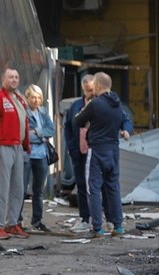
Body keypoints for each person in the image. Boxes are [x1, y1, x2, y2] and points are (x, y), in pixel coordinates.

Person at [73, 72, 130, 238]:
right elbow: (125, 120)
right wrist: (126, 130)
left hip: (97, 150)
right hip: (113, 149)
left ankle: (97, 227)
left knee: (94, 188)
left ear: (97, 86)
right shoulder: (118, 104)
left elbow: (78, 121)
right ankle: (118, 226)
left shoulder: (95, 104)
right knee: (113, 187)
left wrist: (84, 113)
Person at [0, 67, 31, 240]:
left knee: (18, 188)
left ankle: (12, 224)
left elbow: (23, 123)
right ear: (3, 79)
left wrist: (26, 145)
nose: (14, 80)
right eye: (10, 77)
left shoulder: (19, 99)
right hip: (3, 147)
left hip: (17, 147)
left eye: (16, 77)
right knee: (1, 188)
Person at [18, 84, 55, 232]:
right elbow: (24, 134)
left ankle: (37, 221)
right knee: (21, 189)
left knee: (38, 191)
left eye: (39, 97)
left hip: (41, 156)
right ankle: (17, 221)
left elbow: (51, 130)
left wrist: (37, 133)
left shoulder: (43, 112)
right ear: (27, 98)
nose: (36, 100)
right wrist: (41, 136)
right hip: (27, 155)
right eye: (33, 97)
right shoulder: (23, 113)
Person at [64, 74, 95, 233]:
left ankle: (101, 218)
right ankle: (84, 218)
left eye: (93, 89)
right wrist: (71, 147)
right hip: (79, 152)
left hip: (96, 153)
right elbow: (68, 128)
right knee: (81, 186)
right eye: (88, 90)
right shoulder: (76, 106)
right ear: (84, 90)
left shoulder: (100, 104)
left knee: (98, 187)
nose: (91, 93)